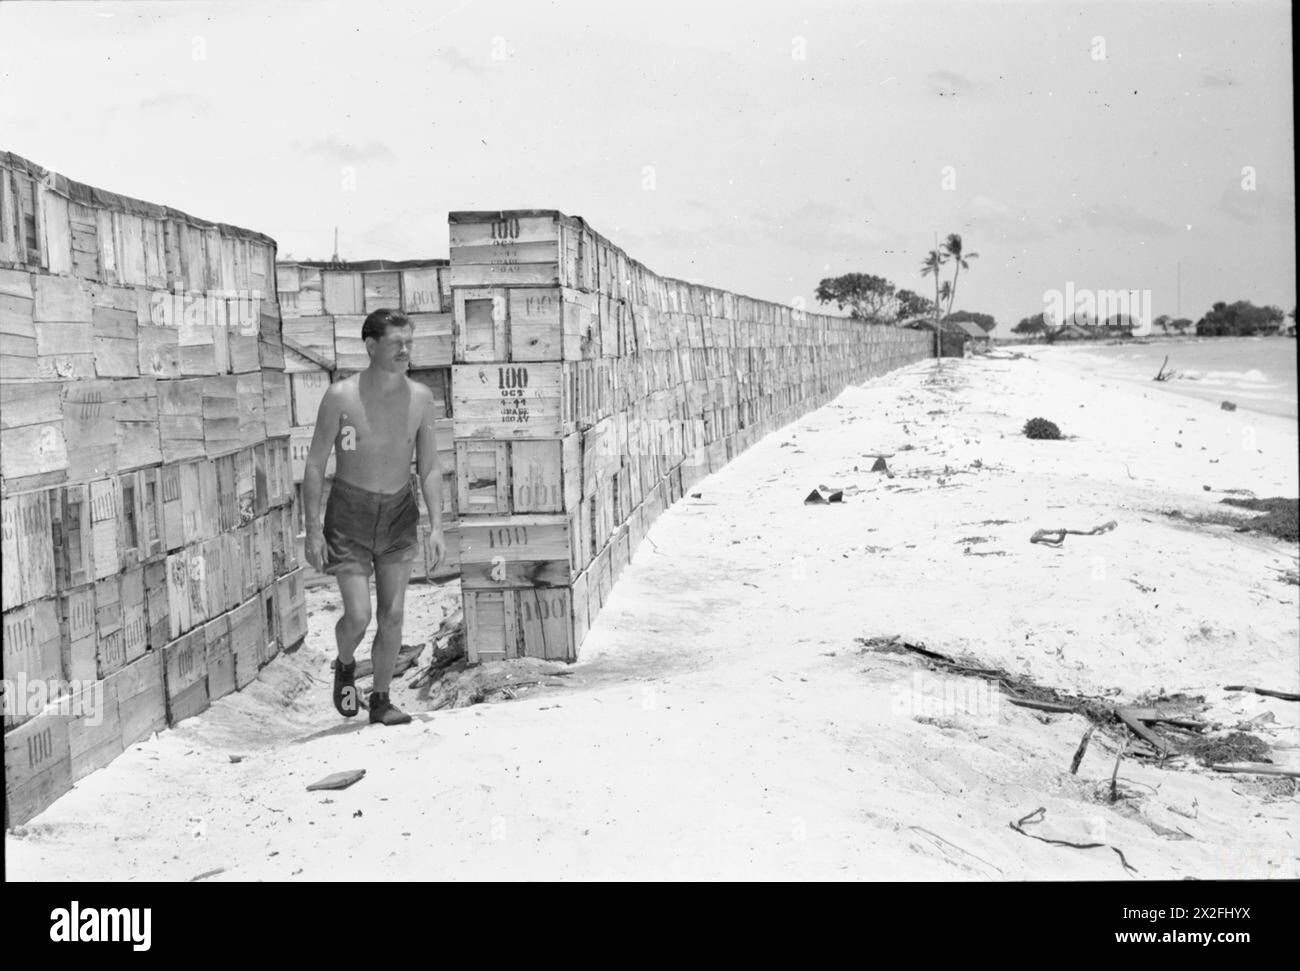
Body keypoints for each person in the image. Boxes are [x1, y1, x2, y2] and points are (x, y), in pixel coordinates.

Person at [302, 308, 446, 726]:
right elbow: (314, 465)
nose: (406, 350)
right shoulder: (340, 396)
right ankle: (345, 663)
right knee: (360, 616)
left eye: (409, 342)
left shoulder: (421, 398)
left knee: (394, 614)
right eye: (396, 343)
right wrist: (312, 532)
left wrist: (437, 526)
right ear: (370, 346)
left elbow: (430, 466)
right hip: (349, 514)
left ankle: (381, 699)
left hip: (399, 512)